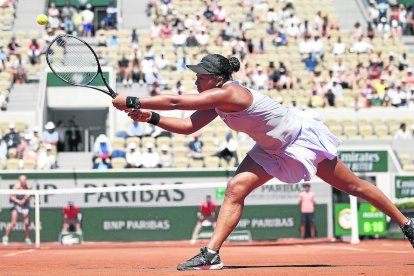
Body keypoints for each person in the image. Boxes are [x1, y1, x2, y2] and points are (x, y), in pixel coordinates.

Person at [112, 53, 414, 270]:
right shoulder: (217, 101)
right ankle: (211, 254)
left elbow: (177, 102)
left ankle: (407, 224)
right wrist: (148, 117)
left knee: (355, 187)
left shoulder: (231, 92)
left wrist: (135, 100)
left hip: (299, 140)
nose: (196, 79)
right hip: (269, 149)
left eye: (201, 76)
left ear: (217, 79)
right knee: (235, 189)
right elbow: (187, 126)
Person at [2, 175, 33, 246]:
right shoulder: (16, 187)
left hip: (25, 206)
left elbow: (31, 196)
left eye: (24, 180)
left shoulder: (29, 188)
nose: (23, 181)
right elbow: (11, 196)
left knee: (26, 223)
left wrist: (25, 199)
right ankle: (5, 237)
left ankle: (27, 238)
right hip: (17, 205)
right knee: (13, 222)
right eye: (22, 180)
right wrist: (18, 201)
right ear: (19, 180)